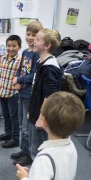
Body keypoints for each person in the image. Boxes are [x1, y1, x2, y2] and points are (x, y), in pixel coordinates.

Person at [25, 28, 62, 165]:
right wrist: (31, 110)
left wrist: (42, 118)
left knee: (40, 152)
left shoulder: (50, 67)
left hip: (43, 116)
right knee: (34, 147)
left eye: (38, 39)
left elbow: (50, 96)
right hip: (36, 111)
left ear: (47, 46)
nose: (33, 41)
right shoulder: (41, 62)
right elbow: (36, 90)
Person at [11, 21, 42, 165]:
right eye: (28, 34)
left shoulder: (36, 54)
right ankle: (23, 151)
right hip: (21, 92)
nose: (30, 37)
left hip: (29, 94)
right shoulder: (25, 52)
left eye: (34, 35)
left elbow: (33, 76)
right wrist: (17, 80)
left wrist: (19, 79)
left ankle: (28, 154)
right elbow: (20, 69)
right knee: (20, 125)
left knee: (26, 127)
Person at [0, 35, 22, 148]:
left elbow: (22, 77)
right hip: (2, 91)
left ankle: (15, 138)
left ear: (19, 47)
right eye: (9, 46)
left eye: (14, 46)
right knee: (6, 115)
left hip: (13, 94)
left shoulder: (20, 61)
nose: (11, 48)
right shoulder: (2, 59)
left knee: (13, 116)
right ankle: (8, 133)